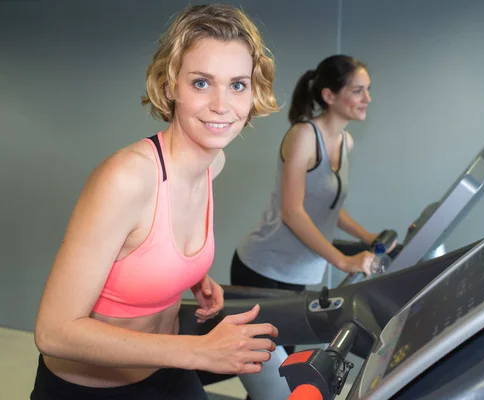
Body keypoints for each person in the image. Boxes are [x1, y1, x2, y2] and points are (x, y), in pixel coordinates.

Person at [30, 4, 280, 400]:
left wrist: (192, 275)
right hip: (90, 390)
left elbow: (144, 247)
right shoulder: (126, 179)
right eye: (201, 83)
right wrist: (199, 350)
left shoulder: (214, 163)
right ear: (170, 86)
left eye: (237, 85)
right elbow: (52, 331)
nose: (221, 104)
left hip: (167, 371)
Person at [231, 55, 395, 357]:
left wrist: (368, 236)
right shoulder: (304, 135)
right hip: (264, 269)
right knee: (266, 371)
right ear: (329, 96)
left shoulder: (346, 143)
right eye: (358, 90)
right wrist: (343, 261)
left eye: (368, 90)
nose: (367, 98)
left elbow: (328, 207)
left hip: (299, 273)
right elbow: (293, 212)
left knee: (279, 371)